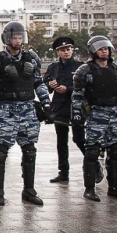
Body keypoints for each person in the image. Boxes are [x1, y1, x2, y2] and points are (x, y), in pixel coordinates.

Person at [0, 21, 52, 206]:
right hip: (5, 109)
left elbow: (39, 83)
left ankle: (29, 190)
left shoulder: (31, 58)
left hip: (27, 108)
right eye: (15, 37)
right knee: (0, 152)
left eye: (21, 37)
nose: (18, 40)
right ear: (7, 38)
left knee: (29, 150)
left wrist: (46, 104)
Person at [72, 36, 117, 202]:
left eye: (106, 48)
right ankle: (89, 188)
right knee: (92, 152)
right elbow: (77, 94)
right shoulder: (85, 71)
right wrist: (77, 114)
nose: (104, 51)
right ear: (93, 51)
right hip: (96, 114)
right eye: (100, 48)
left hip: (114, 114)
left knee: (115, 151)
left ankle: (114, 187)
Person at [43, 37, 85, 183]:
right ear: (58, 52)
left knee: (79, 139)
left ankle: (93, 164)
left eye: (68, 49)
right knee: (61, 141)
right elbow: (45, 88)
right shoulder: (53, 68)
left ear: (72, 50)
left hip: (76, 107)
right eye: (63, 50)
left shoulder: (81, 67)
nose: (66, 52)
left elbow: (86, 88)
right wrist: (51, 85)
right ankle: (63, 172)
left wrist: (67, 89)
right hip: (59, 107)